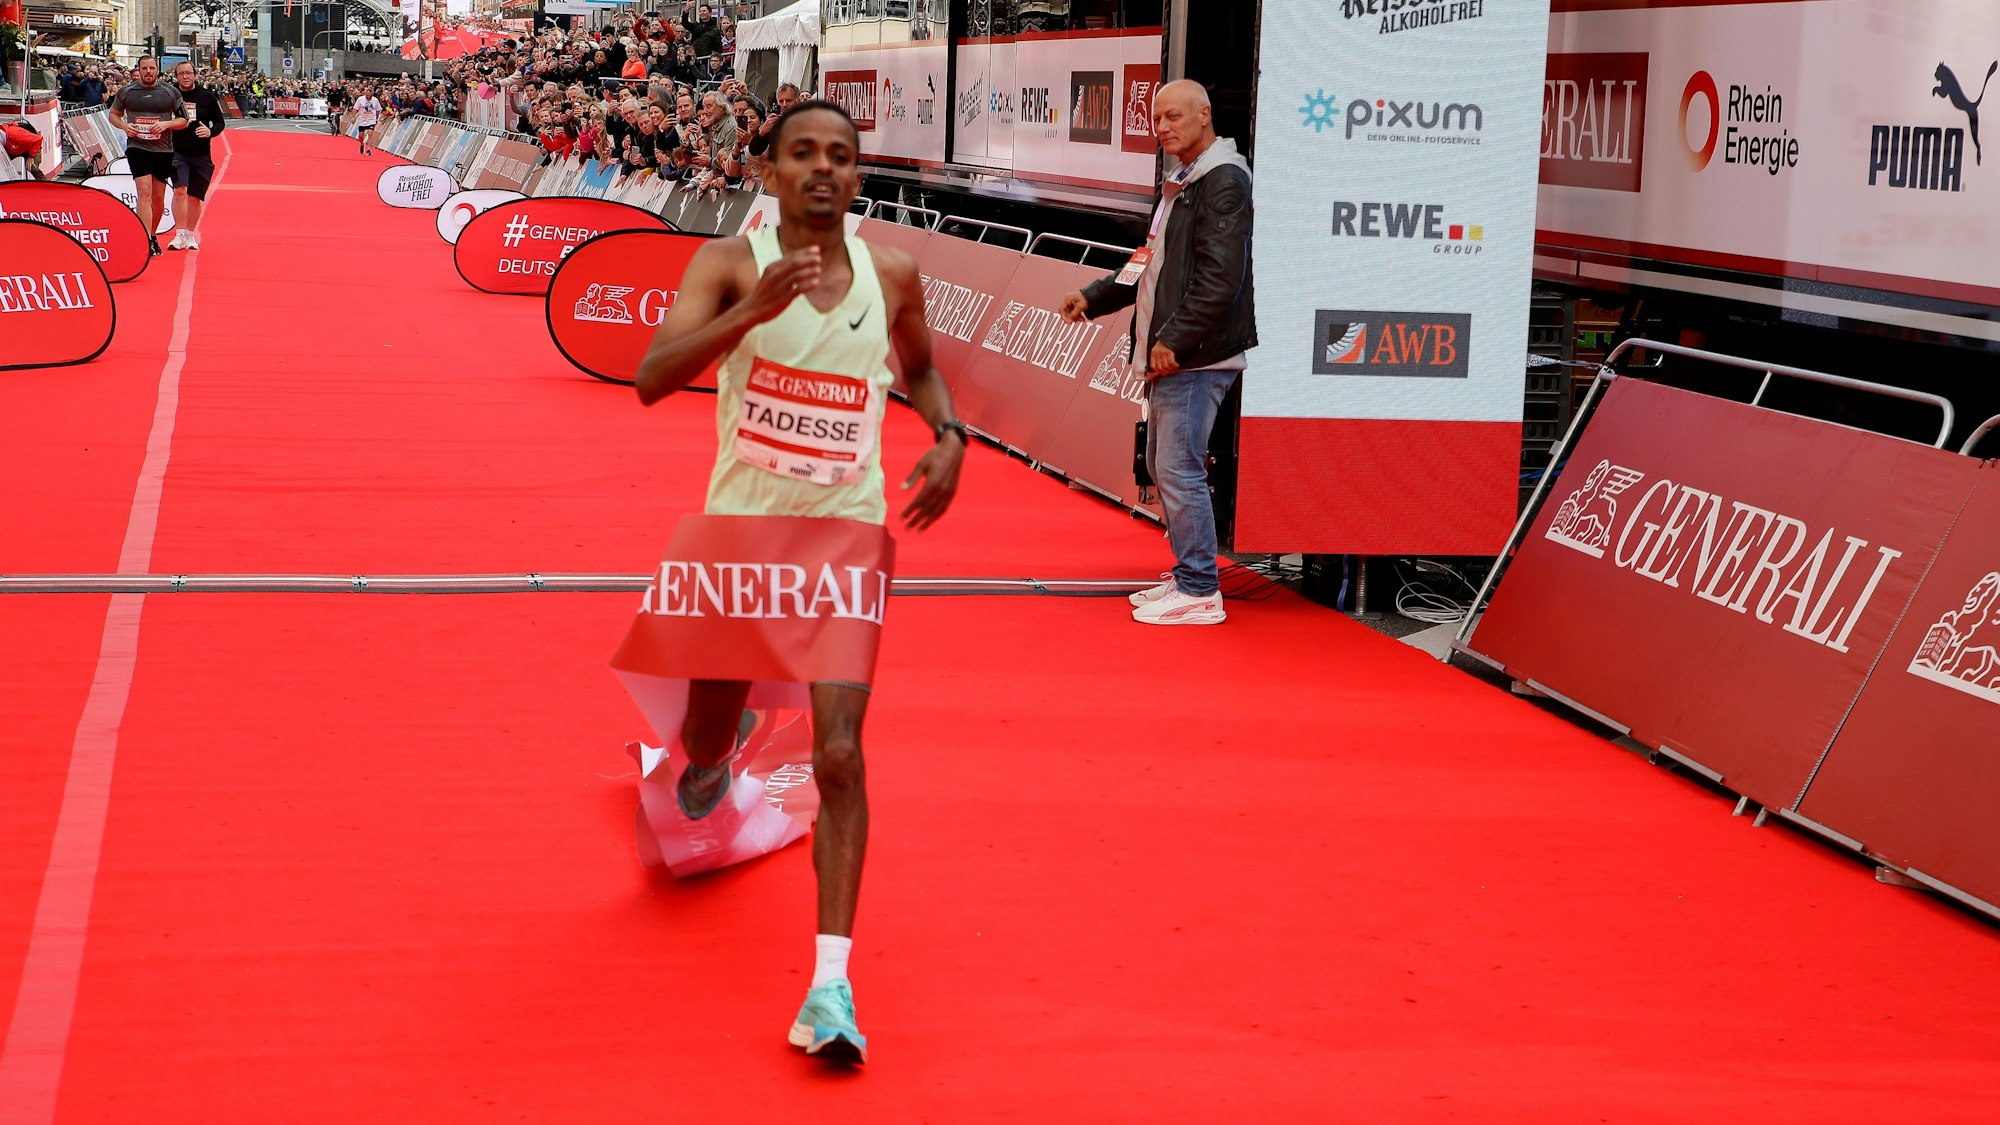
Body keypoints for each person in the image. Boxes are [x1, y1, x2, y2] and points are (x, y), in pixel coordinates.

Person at [631, 100, 966, 1065]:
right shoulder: (729, 262)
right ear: (770, 170)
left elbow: (926, 372)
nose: (824, 170)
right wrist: (751, 312)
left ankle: (830, 984)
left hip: (845, 536)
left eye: (842, 157)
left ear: (859, 176)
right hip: (742, 535)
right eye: (803, 155)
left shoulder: (891, 271)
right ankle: (712, 749)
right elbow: (653, 375)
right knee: (701, 758)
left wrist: (948, 436)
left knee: (843, 756)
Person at [1059, 79, 1256, 626]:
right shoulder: (1184, 180)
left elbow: (1221, 279)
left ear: (1205, 116)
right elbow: (1148, 261)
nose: (1162, 127)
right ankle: (1190, 574)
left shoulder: (1222, 182)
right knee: (1164, 464)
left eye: (1173, 116)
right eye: (1156, 119)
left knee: (1177, 467)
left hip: (1195, 355)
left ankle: (1198, 588)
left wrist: (1176, 338)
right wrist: (1095, 297)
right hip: (1178, 350)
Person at [107, 57, 189, 257]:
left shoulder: (170, 92)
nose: (148, 72)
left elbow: (184, 120)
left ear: (157, 70)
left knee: (157, 196)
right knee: (144, 192)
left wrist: (165, 125)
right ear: (139, 70)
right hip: (138, 147)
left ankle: (152, 235)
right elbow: (113, 115)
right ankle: (143, 239)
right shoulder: (127, 92)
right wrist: (125, 126)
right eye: (144, 68)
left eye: (152, 68)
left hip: (162, 150)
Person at [167, 62, 224, 251]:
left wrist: (210, 131)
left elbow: (219, 122)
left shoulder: (206, 97)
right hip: (177, 151)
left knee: (194, 197)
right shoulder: (170, 95)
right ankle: (179, 234)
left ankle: (190, 235)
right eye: (181, 73)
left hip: (200, 153)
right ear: (176, 76)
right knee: (180, 190)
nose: (185, 77)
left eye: (188, 73)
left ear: (194, 75)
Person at [353, 84, 383, 155]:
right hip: (362, 119)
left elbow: (378, 109)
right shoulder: (360, 99)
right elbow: (355, 109)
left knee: (370, 133)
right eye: (367, 96)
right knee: (360, 135)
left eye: (370, 96)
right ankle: (362, 144)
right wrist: (353, 117)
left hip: (371, 119)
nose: (368, 97)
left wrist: (376, 117)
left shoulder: (375, 100)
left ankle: (369, 149)